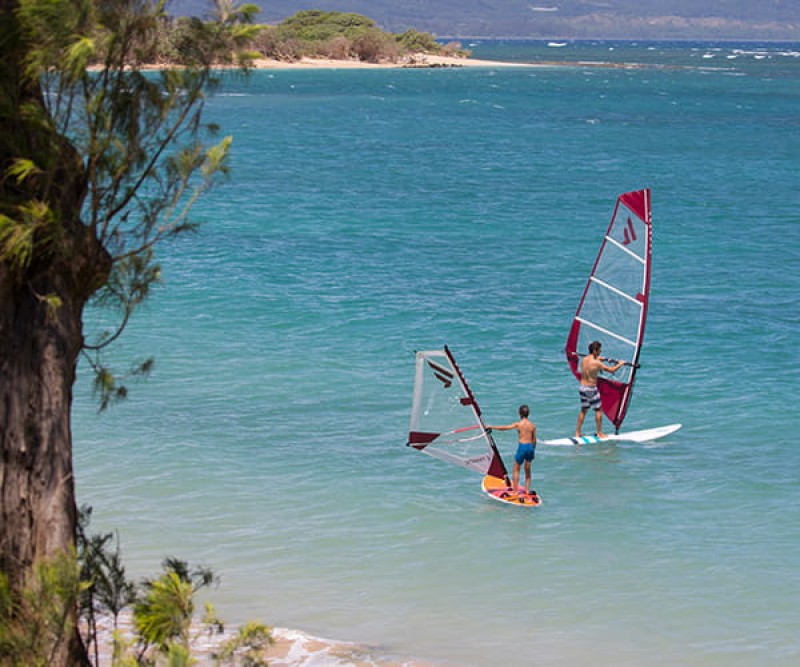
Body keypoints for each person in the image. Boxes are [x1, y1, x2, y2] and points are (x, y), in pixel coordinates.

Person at [576, 340, 625, 439]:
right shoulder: (597, 363)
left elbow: (590, 365)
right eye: (599, 351)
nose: (600, 352)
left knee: (583, 410)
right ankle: (599, 433)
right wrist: (620, 364)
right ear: (595, 350)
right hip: (591, 389)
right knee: (598, 410)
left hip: (582, 387)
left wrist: (598, 359)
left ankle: (577, 433)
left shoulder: (584, 359)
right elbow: (611, 370)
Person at [487, 405, 536, 496]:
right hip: (530, 447)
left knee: (516, 469)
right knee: (528, 470)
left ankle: (515, 491)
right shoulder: (532, 425)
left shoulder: (518, 424)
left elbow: (504, 428)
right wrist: (533, 451)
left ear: (519, 413)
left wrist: (491, 427)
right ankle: (527, 491)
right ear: (528, 414)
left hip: (522, 447)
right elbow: (534, 440)